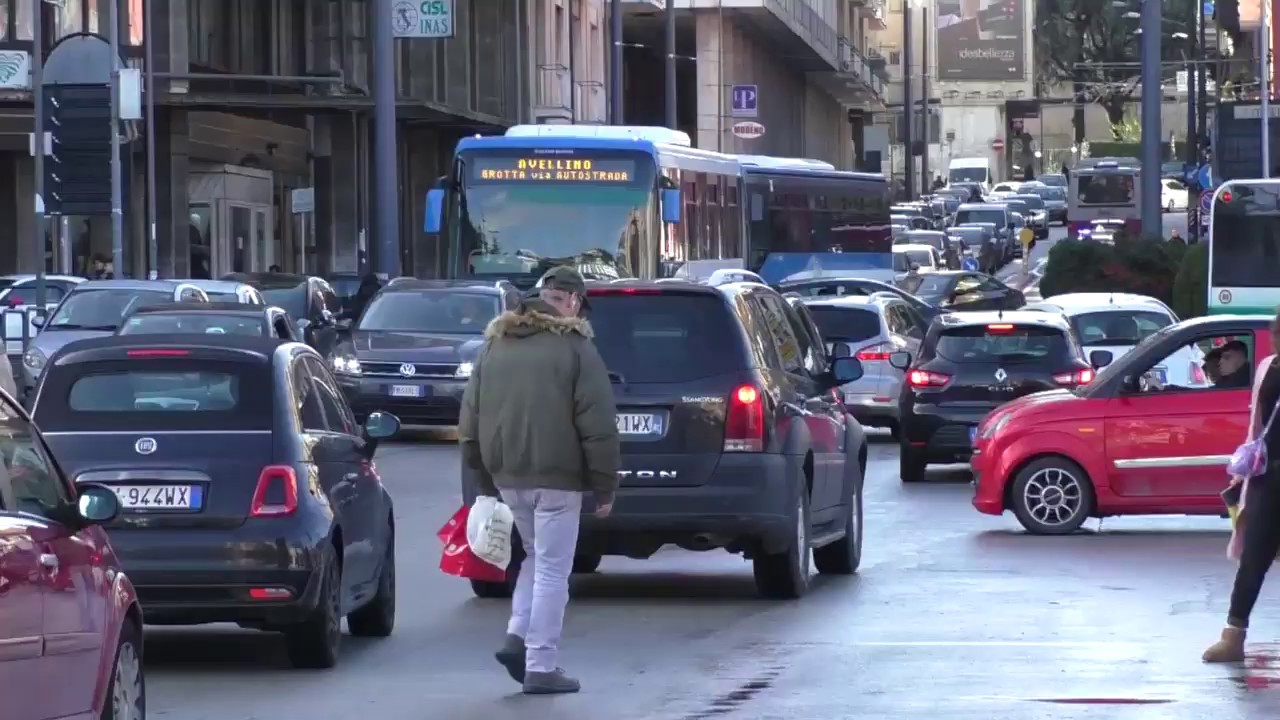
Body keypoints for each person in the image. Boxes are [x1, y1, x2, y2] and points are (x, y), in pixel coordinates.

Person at [458, 266, 620, 694]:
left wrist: (482, 476)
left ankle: (517, 636)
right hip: (559, 479)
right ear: (569, 300)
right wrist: (604, 484)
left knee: (534, 557)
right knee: (552, 569)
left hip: (508, 476)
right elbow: (598, 422)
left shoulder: (495, 344)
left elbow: (469, 418)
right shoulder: (575, 347)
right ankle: (541, 665)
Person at [1204, 315, 1280, 663]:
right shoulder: (1266, 368)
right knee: (1253, 557)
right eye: (1274, 335)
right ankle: (1233, 634)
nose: (1275, 341)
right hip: (1268, 476)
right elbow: (1257, 424)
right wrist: (1244, 469)